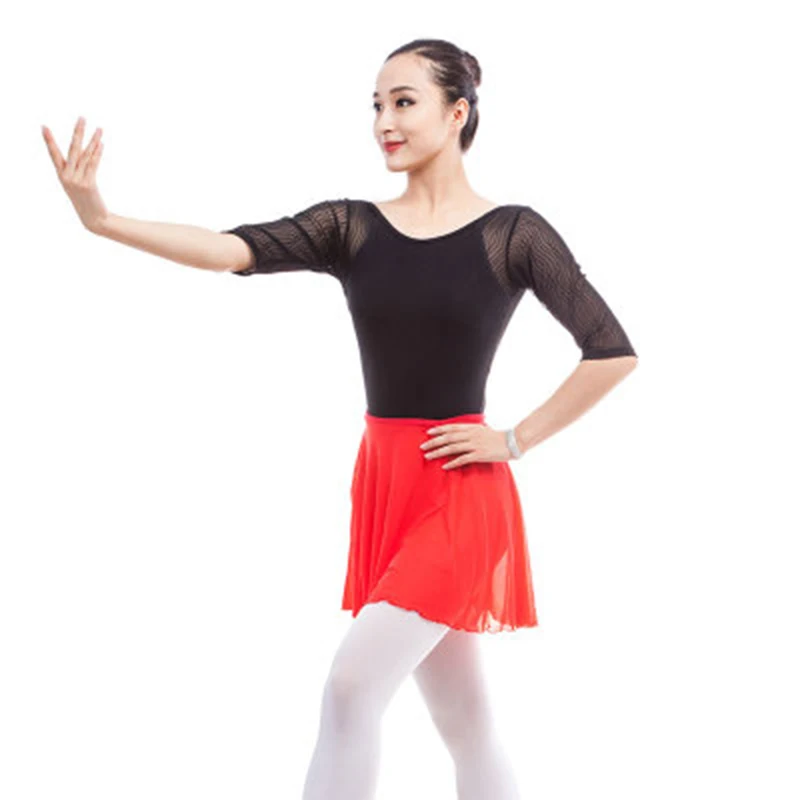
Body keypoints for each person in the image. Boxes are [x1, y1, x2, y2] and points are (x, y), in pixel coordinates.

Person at [43, 37, 638, 800]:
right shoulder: (352, 227)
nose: (385, 121)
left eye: (404, 102)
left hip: (461, 490)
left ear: (458, 113)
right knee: (465, 723)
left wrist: (514, 439)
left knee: (352, 688)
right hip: (387, 484)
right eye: (377, 105)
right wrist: (103, 221)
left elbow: (610, 352)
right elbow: (230, 250)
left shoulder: (512, 233)